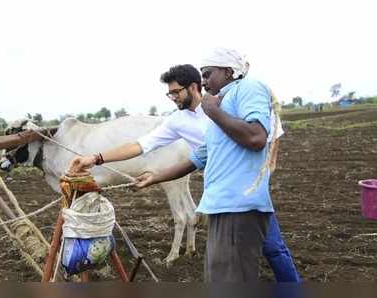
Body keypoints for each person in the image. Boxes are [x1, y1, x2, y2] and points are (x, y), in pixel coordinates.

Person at [69, 59, 300, 282]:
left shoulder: (223, 103)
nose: (173, 98)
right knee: (249, 252)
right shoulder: (177, 121)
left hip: (247, 188)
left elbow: (268, 132)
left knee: (271, 250)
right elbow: (142, 145)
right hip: (222, 193)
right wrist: (97, 158)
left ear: (193, 87)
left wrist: (264, 173)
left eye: (176, 92)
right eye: (169, 93)